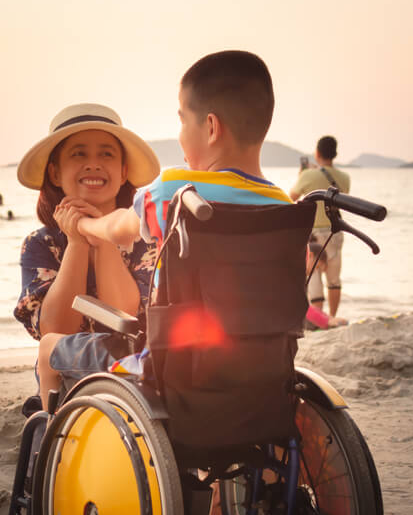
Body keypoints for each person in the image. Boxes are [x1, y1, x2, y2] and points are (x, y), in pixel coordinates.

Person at [31, 51, 292, 407]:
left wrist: (87, 226)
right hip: (264, 368)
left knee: (49, 348)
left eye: (183, 122)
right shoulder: (285, 207)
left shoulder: (175, 193)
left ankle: (51, 447)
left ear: (211, 127)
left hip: (171, 368)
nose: (181, 136)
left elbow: (122, 229)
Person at [13, 103, 162, 405]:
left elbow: (123, 320)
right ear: (54, 173)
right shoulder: (40, 244)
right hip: (68, 384)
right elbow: (54, 335)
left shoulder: (145, 239)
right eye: (78, 153)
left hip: (135, 374)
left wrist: (100, 235)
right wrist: (78, 244)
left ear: (123, 173)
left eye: (106, 154)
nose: (93, 164)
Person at [289, 135, 350, 319]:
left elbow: (292, 197)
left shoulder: (308, 175)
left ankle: (319, 320)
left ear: (317, 153)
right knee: (333, 278)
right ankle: (332, 317)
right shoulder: (344, 177)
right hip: (335, 230)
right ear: (335, 154)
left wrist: (303, 175)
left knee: (314, 273)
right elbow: (343, 196)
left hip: (314, 232)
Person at [304, 242, 347, 329]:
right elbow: (301, 307)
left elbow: (305, 306)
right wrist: (327, 322)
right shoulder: (294, 275)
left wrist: (329, 317)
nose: (315, 271)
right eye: (317, 267)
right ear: (310, 256)